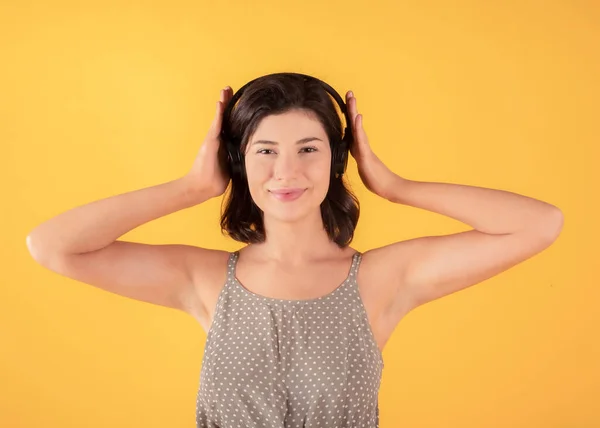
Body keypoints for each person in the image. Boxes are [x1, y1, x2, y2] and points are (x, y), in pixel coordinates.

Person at [26, 73, 564, 428]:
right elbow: (52, 247)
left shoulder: (380, 278)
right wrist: (191, 187)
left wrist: (395, 184)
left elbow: (539, 224)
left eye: (309, 149)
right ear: (239, 162)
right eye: (265, 151)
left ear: (336, 160)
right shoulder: (205, 278)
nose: (286, 172)